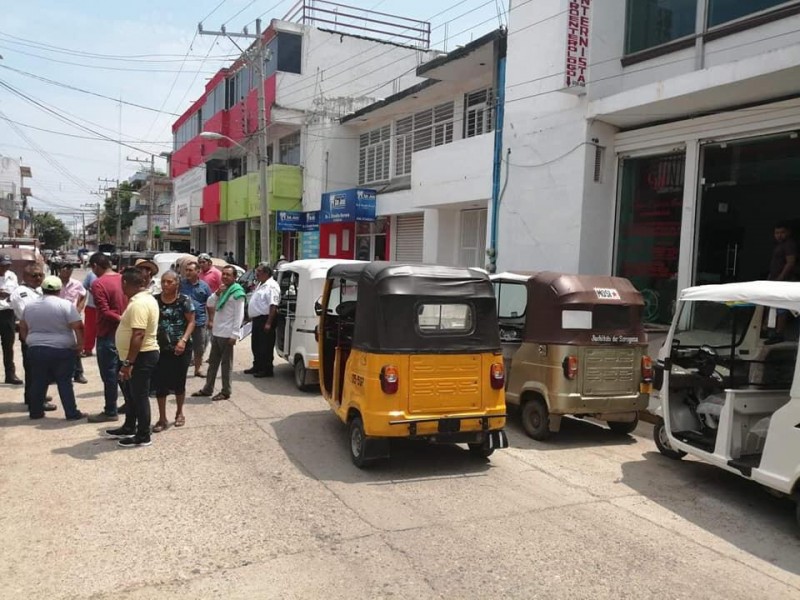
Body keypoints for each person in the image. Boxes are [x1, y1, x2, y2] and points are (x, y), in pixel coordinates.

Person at [104, 268, 160, 448]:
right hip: (134, 356)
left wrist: (128, 363)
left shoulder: (139, 304)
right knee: (130, 395)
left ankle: (143, 435)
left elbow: (138, 335)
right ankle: (129, 426)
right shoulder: (140, 300)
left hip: (141, 356)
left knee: (139, 395)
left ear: (126, 283)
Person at [19, 276, 86, 421]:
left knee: (38, 381)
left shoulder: (30, 306)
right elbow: (78, 326)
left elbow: (22, 327)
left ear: (42, 289)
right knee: (64, 382)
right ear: (59, 289)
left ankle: (35, 412)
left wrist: (28, 341)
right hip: (62, 349)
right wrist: (80, 345)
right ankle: (71, 413)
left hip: (36, 348)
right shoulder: (65, 305)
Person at [191, 266, 245, 401]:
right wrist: (217, 293)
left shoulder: (237, 293)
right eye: (224, 274)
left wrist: (234, 334)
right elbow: (209, 303)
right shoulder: (222, 290)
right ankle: (208, 388)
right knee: (213, 363)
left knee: (226, 365)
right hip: (217, 332)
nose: (225, 277)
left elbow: (239, 315)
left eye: (228, 275)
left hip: (227, 334)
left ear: (234, 277)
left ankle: (226, 391)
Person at [87, 252, 129, 423]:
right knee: (124, 372)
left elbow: (104, 312)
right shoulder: (123, 279)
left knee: (109, 375)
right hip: (125, 334)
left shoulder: (98, 284)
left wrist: (120, 318)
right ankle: (129, 402)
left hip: (108, 334)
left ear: (96, 266)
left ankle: (110, 410)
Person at [152, 271, 195, 432]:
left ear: (177, 283)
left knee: (179, 382)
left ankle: (179, 412)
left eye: (169, 282)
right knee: (160, 384)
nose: (165, 285)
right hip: (160, 348)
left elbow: (191, 321)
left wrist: (183, 340)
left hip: (181, 347)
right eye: (163, 281)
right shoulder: (154, 300)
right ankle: (162, 418)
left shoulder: (184, 300)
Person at [11, 263, 56, 412]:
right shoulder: (21, 292)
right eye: (34, 275)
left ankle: (33, 396)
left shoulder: (39, 290)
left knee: (38, 369)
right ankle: (37, 401)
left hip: (41, 333)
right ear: (24, 277)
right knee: (35, 370)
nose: (37, 278)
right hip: (32, 334)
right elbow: (28, 313)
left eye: (40, 275)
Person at [245, 263, 281, 378]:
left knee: (265, 346)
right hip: (257, 319)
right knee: (256, 344)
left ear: (266, 273)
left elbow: (273, 305)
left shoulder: (272, 286)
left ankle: (266, 369)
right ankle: (257, 366)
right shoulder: (261, 284)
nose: (256, 274)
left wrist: (269, 323)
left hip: (266, 319)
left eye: (259, 271)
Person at [766, 222, 799, 344]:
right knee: (775, 306)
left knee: (782, 308)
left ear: (788, 232)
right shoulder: (779, 245)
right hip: (775, 280)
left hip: (784, 282)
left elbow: (790, 262)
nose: (779, 235)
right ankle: (773, 332)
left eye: (782, 232)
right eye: (777, 233)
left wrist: (780, 277)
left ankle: (779, 334)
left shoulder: (789, 245)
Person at [180, 261, 212, 378]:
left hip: (199, 321)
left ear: (197, 271)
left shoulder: (204, 286)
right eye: (186, 270)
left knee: (199, 347)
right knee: (182, 346)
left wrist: (211, 320)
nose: (187, 272)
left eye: (190, 270)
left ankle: (197, 369)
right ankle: (180, 370)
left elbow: (210, 304)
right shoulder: (181, 284)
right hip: (183, 321)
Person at [58, 263, 88, 384]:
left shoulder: (76, 284)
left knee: (75, 345)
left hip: (73, 317)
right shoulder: (54, 282)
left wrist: (79, 308)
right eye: (64, 267)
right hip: (57, 317)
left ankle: (78, 373)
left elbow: (84, 295)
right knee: (59, 345)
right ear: (59, 269)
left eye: (69, 268)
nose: (67, 270)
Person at [0, 254, 22, 385]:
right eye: (2, 265)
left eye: (7, 265)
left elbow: (16, 293)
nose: (5, 267)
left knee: (8, 346)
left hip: (8, 313)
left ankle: (10, 374)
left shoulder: (12, 276)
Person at [82, 268, 98, 357]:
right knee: (89, 329)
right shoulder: (91, 274)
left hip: (107, 307)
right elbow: (84, 287)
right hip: (92, 306)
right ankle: (87, 349)